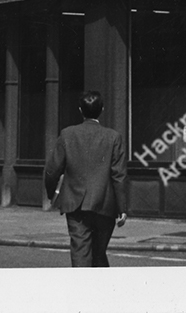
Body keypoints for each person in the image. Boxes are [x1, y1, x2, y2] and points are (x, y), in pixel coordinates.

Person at [43, 91, 128, 267]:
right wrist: (122, 208)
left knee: (81, 254)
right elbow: (118, 175)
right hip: (105, 205)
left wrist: (52, 194)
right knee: (99, 254)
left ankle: (84, 284)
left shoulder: (67, 134)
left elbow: (52, 171)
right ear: (102, 110)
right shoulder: (114, 137)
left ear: (80, 110)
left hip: (76, 205)